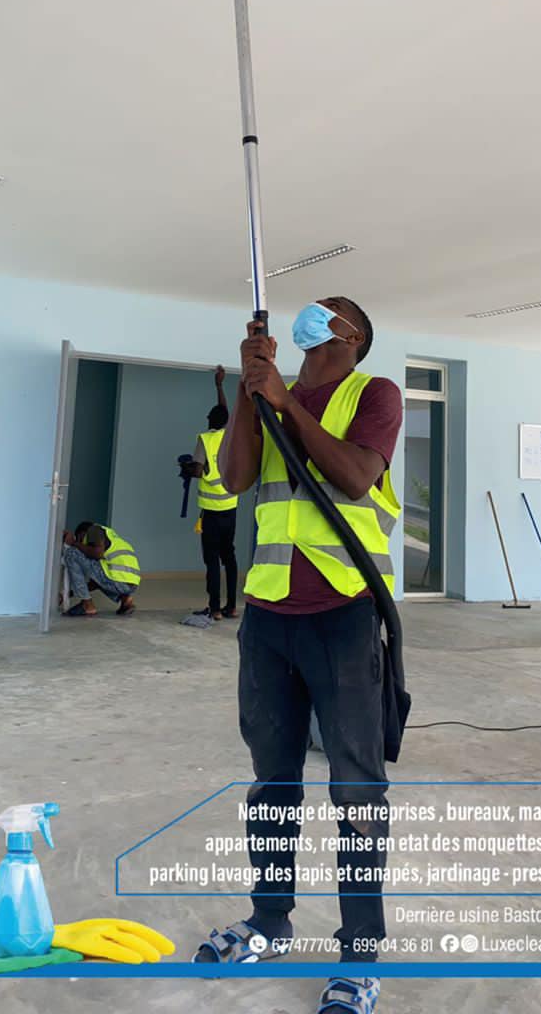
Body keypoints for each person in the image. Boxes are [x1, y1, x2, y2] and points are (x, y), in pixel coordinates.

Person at [194, 298, 403, 1014]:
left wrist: (287, 402)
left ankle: (361, 956)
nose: (312, 317)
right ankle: (269, 921)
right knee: (272, 782)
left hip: (344, 614)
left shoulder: (373, 394)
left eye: (328, 312)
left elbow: (355, 476)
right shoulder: (271, 393)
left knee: (356, 790)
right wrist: (253, 390)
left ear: (352, 336)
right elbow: (235, 478)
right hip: (267, 616)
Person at [185, 366, 239, 620]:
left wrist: (186, 467)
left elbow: (198, 471)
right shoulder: (231, 436)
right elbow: (224, 411)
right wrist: (219, 386)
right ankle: (232, 606)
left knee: (212, 559)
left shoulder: (205, 439)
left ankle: (215, 608)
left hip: (211, 512)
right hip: (230, 508)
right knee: (229, 557)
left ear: (209, 420)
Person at [62, 521, 141, 617]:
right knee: (98, 570)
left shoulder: (94, 530)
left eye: (80, 539)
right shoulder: (112, 537)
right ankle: (125, 599)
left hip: (118, 580)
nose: (82, 543)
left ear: (82, 533)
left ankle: (87, 605)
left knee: (72, 553)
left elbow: (97, 553)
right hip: (130, 584)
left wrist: (74, 543)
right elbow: (97, 582)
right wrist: (67, 594)